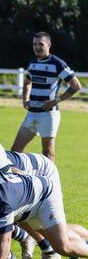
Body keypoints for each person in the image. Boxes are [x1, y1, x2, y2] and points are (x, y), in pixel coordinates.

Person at [10, 31, 81, 162]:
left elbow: (76, 86)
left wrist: (57, 100)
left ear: (49, 45)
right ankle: (14, 180)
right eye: (35, 44)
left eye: (40, 44)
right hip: (32, 114)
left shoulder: (57, 64)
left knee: (48, 153)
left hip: (48, 115)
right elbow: (27, 82)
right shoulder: (32, 63)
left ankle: (51, 182)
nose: (37, 47)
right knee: (15, 151)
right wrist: (25, 99)